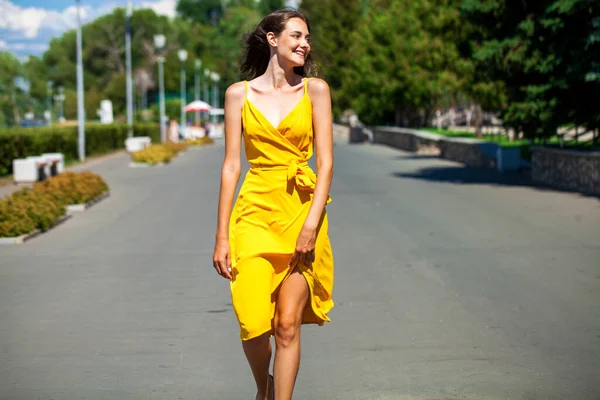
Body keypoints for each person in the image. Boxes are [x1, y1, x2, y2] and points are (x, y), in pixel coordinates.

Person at [212, 8, 335, 400]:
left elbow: (327, 163)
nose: (305, 44)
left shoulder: (316, 91)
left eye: (307, 37)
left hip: (301, 210)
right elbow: (232, 165)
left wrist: (312, 224)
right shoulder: (238, 95)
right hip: (253, 215)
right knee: (252, 320)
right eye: (296, 35)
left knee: (286, 325)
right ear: (272, 38)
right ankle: (262, 386)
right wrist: (221, 237)